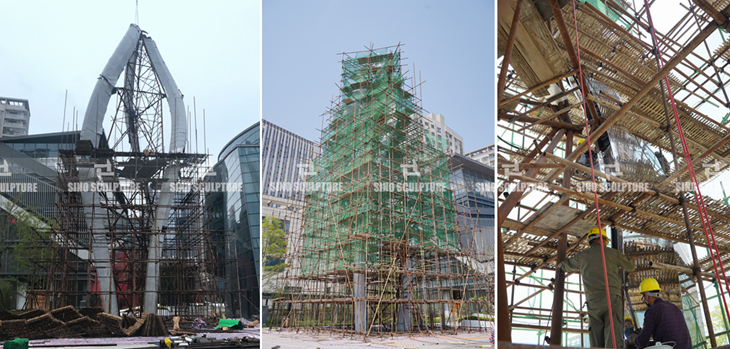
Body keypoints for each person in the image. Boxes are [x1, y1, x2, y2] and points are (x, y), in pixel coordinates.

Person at [560, 226, 636, 348]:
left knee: (596, 336)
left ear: (590, 241)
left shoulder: (582, 256)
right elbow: (631, 266)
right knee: (613, 334)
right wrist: (631, 260)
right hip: (612, 299)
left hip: (593, 301)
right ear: (603, 239)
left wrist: (560, 264)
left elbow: (564, 266)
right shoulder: (612, 253)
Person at [631, 278, 691, 349]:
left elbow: (642, 342)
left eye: (643, 297)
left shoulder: (652, 310)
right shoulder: (675, 307)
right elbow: (670, 340)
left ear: (646, 295)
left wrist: (634, 340)